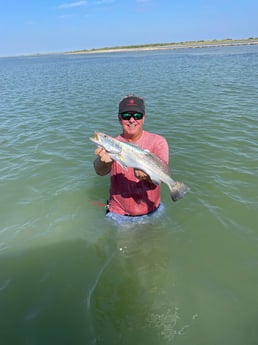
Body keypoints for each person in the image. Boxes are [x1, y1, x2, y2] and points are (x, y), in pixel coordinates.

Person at [93, 94, 169, 222]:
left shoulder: (158, 142)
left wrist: (147, 176)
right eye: (126, 116)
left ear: (143, 118)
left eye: (137, 115)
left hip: (153, 210)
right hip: (120, 215)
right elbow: (99, 171)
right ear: (119, 118)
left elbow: (163, 175)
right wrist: (103, 162)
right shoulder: (112, 144)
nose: (132, 120)